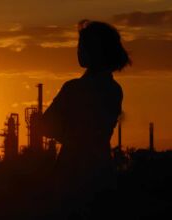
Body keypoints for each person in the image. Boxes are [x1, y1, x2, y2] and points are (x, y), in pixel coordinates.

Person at [40, 20, 131, 217]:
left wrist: (69, 138)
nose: (78, 51)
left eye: (81, 46)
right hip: (101, 171)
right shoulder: (115, 90)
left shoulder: (74, 88)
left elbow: (45, 125)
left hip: (71, 174)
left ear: (94, 50)